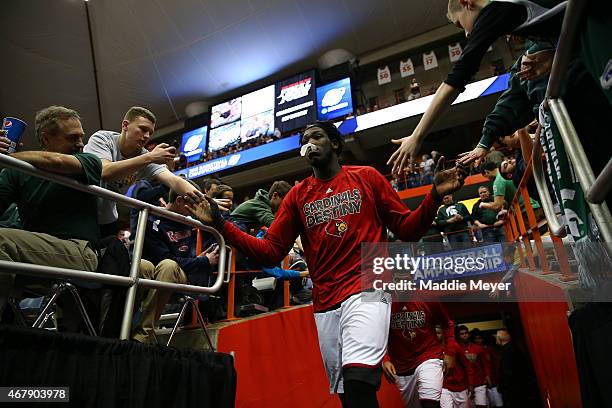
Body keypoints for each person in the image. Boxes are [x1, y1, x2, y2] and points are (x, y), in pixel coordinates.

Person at [184, 120, 467, 408]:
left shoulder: (366, 177)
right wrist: (221, 223)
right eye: (305, 139)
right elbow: (269, 252)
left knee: (358, 378)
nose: (309, 142)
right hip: (325, 301)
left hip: (369, 287)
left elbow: (407, 229)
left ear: (334, 144)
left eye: (317, 136)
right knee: (349, 394)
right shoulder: (297, 196)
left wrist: (433, 196)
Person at [387, 0, 610, 173]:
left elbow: (455, 81)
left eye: (459, 23)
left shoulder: (493, 9)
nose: (465, 33)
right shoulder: (513, 13)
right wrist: (551, 55)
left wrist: (417, 136)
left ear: (467, 3)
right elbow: (562, 20)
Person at [0, 106, 101, 319]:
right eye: (73, 138)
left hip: (79, 251)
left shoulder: (88, 160)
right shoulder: (15, 170)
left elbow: (57, 162)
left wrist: (12, 156)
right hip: (31, 253)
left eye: (81, 137)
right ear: (46, 139)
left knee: (1, 240)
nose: (81, 143)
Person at [83, 106, 200, 237]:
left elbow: (175, 181)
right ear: (125, 125)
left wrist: (204, 201)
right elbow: (105, 172)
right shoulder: (102, 139)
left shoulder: (146, 157)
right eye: (143, 129)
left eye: (150, 133)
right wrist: (150, 157)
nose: (147, 136)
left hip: (107, 220)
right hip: (81, 212)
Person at [134, 182, 219, 343]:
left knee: (168, 266)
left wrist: (201, 260)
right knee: (142, 266)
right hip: (161, 270)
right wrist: (201, 261)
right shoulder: (153, 221)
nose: (196, 208)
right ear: (179, 200)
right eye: (193, 204)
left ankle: (143, 335)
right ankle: (124, 326)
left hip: (182, 273)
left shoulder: (192, 220)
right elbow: (164, 259)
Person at [383, 301, 457, 408]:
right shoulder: (384, 300)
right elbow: (377, 332)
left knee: (430, 403)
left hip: (428, 356)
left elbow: (447, 324)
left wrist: (450, 352)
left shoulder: (427, 297)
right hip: (402, 366)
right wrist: (385, 358)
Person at [496, 329, 539, 407]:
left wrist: (503, 385)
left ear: (499, 339)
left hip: (513, 387)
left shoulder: (507, 351)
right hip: (520, 383)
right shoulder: (514, 347)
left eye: (496, 337)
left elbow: (507, 371)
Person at [440, 326, 474, 408]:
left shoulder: (455, 346)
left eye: (439, 333)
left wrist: (471, 384)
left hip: (460, 386)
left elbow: (467, 366)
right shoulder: (433, 350)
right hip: (444, 387)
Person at [457, 325, 490, 408]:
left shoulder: (478, 348)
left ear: (469, 334)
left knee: (481, 406)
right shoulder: (457, 349)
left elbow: (485, 363)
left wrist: (487, 375)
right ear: (458, 335)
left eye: (466, 333)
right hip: (465, 384)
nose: (464, 335)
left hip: (479, 382)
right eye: (461, 334)